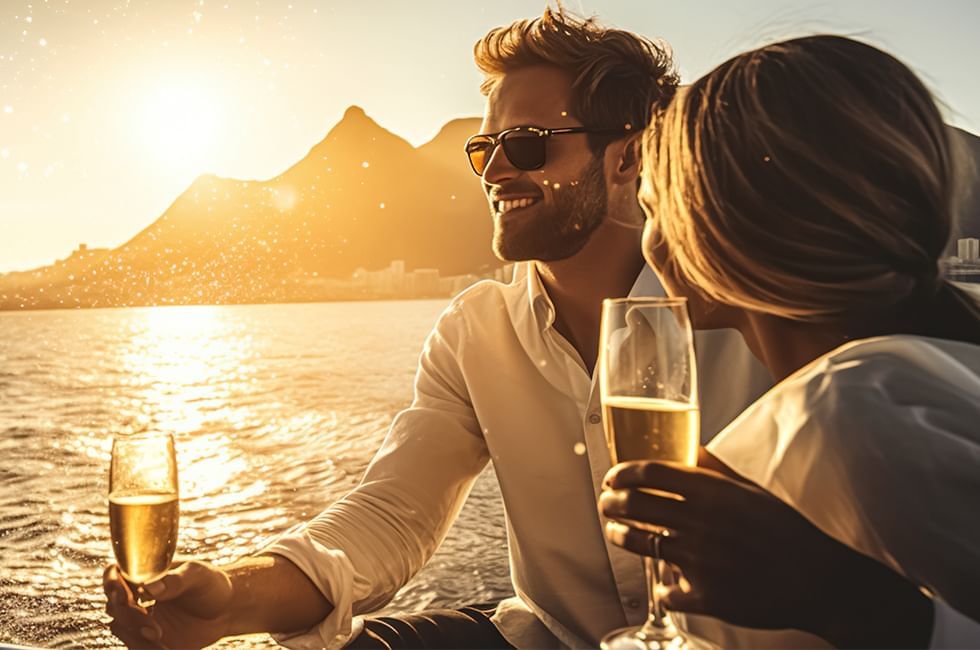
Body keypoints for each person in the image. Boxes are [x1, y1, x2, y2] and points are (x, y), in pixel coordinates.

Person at [103, 8, 771, 649]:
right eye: (485, 149)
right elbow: (393, 515)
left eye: (527, 144)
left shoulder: (751, 310)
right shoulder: (475, 333)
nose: (496, 170)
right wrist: (228, 598)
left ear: (626, 160)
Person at [601, 35, 980, 648]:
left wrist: (842, 601)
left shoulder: (848, 412)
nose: (647, 241)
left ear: (708, 230)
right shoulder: (931, 367)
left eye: (652, 209)